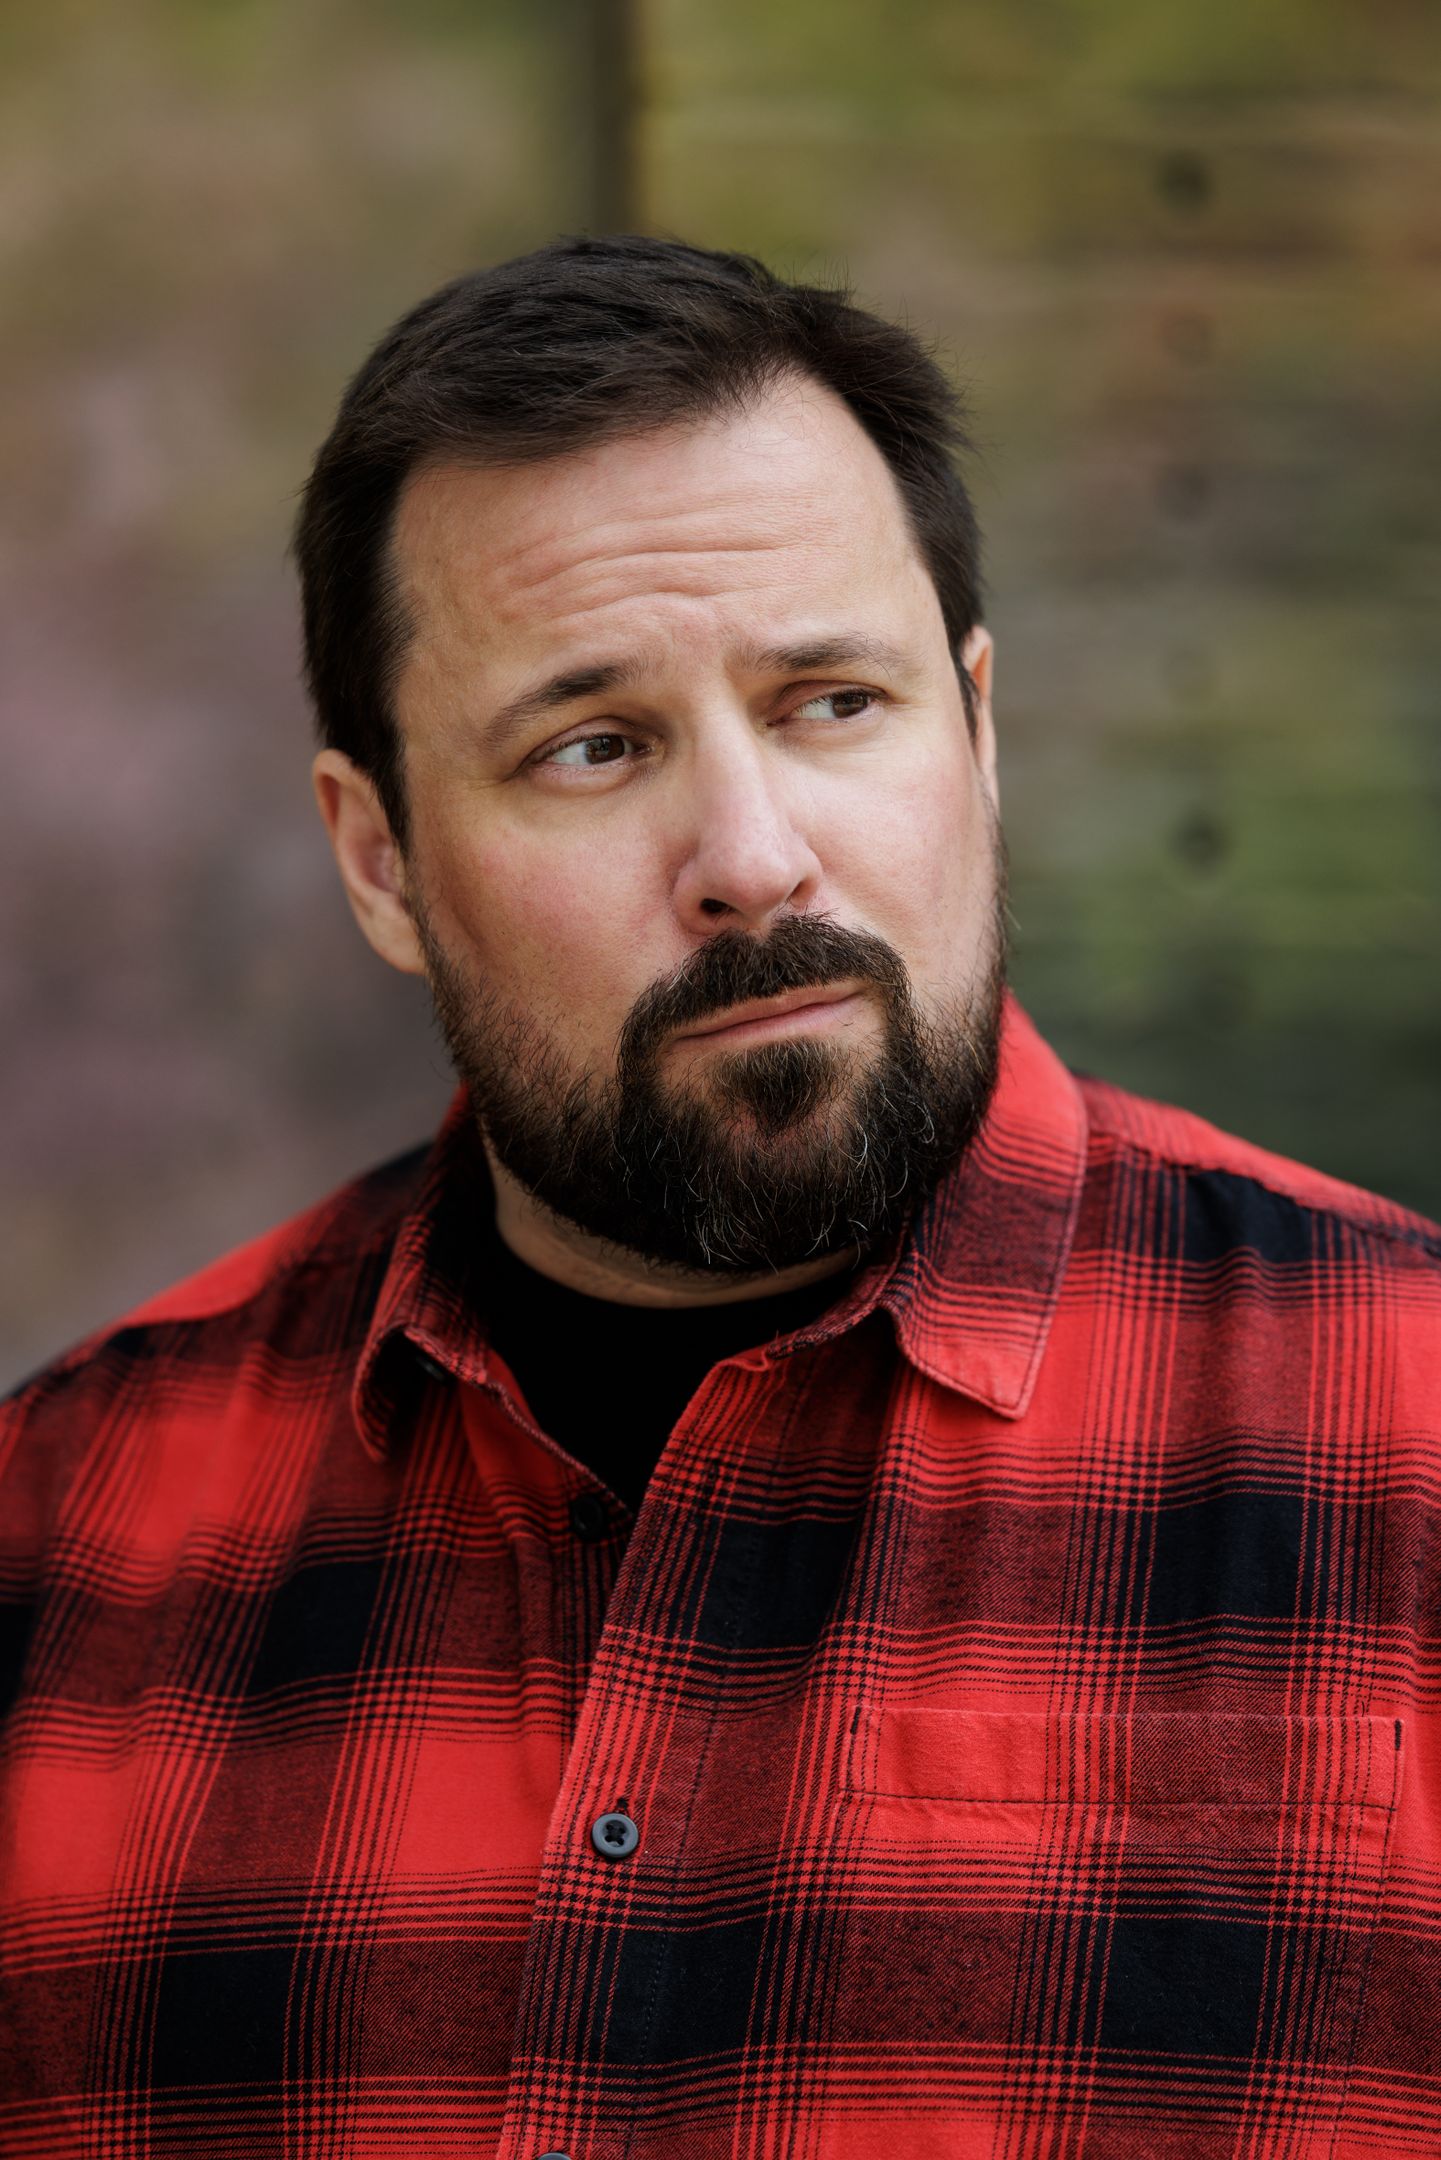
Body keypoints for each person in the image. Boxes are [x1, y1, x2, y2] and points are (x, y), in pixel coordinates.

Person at [2, 235, 1437, 2160]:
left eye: (833, 701)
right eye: (591, 748)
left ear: (977, 733)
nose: (753, 860)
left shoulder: (1410, 1433)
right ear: (378, 862)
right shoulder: (53, 1537)